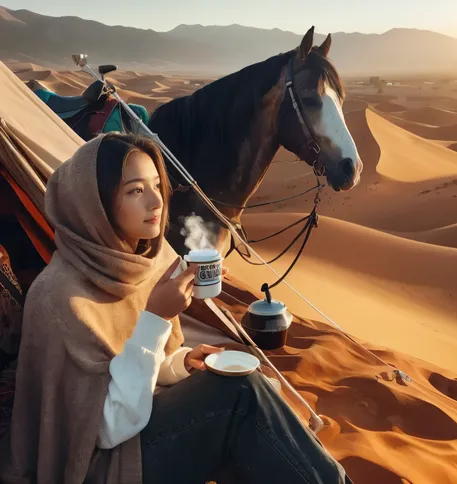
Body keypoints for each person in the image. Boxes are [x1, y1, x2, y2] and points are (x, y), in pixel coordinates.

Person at [7, 133, 352, 484]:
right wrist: (155, 319)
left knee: (246, 391)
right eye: (135, 191)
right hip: (102, 465)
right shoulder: (57, 297)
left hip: (140, 429)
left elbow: (130, 368)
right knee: (240, 395)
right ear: (94, 204)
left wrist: (178, 364)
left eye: (157, 185)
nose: (157, 202)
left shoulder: (136, 265)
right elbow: (106, 429)